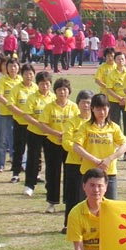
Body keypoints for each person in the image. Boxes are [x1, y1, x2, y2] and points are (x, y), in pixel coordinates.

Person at [72, 94, 126, 200]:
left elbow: (124, 146)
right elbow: (76, 146)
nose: (102, 112)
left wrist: (109, 159)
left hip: (109, 173)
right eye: (98, 109)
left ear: (108, 109)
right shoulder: (85, 127)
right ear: (92, 109)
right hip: (89, 173)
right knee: (88, 205)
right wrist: (95, 160)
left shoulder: (114, 127)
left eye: (104, 109)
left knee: (110, 206)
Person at [38, 78, 79, 210]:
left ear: (69, 91)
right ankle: (52, 202)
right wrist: (56, 134)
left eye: (65, 89)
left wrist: (68, 136)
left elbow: (79, 125)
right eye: (59, 89)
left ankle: (69, 201)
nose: (62, 92)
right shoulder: (49, 107)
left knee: (70, 173)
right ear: (55, 91)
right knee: (52, 173)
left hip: (69, 145)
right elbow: (43, 125)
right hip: (53, 143)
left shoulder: (74, 107)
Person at [61, 90, 94, 232]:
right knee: (72, 195)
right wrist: (79, 152)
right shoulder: (71, 122)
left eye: (89, 103)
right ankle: (69, 224)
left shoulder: (95, 122)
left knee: (89, 195)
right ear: (78, 104)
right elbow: (66, 142)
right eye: (83, 102)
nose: (86, 106)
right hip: (73, 163)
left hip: (90, 164)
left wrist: (88, 155)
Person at [19, 71, 54, 200]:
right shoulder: (32, 98)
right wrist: (39, 124)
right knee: (33, 159)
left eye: (47, 84)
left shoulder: (53, 98)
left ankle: (50, 187)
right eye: (42, 84)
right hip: (34, 132)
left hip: (50, 134)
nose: (44, 86)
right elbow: (27, 115)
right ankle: (29, 185)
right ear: (37, 84)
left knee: (51, 161)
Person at [7, 63, 38, 185]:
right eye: (26, 74)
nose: (28, 76)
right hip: (20, 123)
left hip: (34, 125)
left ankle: (36, 174)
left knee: (34, 151)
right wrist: (24, 114)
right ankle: (15, 174)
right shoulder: (16, 89)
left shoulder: (36, 88)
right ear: (22, 75)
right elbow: (10, 105)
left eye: (31, 74)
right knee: (19, 149)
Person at [0, 59, 21, 176]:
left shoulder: (21, 80)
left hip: (19, 114)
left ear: (18, 67)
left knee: (17, 140)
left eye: (15, 66)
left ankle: (16, 163)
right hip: (6, 113)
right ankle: (0, 164)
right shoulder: (3, 80)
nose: (13, 69)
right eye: (10, 66)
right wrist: (11, 106)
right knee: (3, 139)